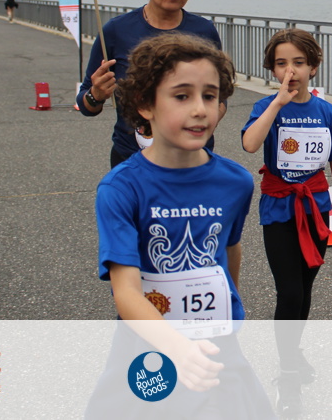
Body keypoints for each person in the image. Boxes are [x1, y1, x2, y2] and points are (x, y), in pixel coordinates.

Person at [87, 32, 273, 418]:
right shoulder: (121, 189)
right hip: (150, 346)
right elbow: (126, 291)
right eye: (182, 96)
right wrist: (177, 348)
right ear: (145, 104)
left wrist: (230, 308)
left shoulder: (236, 182)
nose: (200, 109)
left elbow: (229, 248)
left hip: (216, 342)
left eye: (210, 95)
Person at [241, 28, 332, 417]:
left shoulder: (327, 112)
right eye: (281, 64)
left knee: (304, 290)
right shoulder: (266, 107)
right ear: (273, 70)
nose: (291, 71)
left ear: (313, 68)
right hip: (279, 209)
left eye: (299, 63)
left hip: (317, 208)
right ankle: (288, 373)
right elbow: (250, 144)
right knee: (288, 292)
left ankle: (292, 350)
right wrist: (277, 103)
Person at [77, 0, 224, 168]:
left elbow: (220, 98)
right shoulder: (116, 31)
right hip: (131, 163)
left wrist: (201, 124)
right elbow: (86, 104)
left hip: (192, 162)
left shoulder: (204, 31)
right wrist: (96, 94)